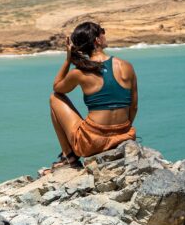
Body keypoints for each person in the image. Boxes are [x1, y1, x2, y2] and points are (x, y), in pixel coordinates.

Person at [46, 21, 138, 171]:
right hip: (124, 137)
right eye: (102, 31)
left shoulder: (80, 72)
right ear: (97, 40)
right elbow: (133, 107)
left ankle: (69, 157)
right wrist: (121, 130)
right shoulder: (126, 66)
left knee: (54, 97)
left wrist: (68, 59)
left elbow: (57, 87)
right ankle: (71, 155)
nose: (105, 34)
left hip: (92, 143)